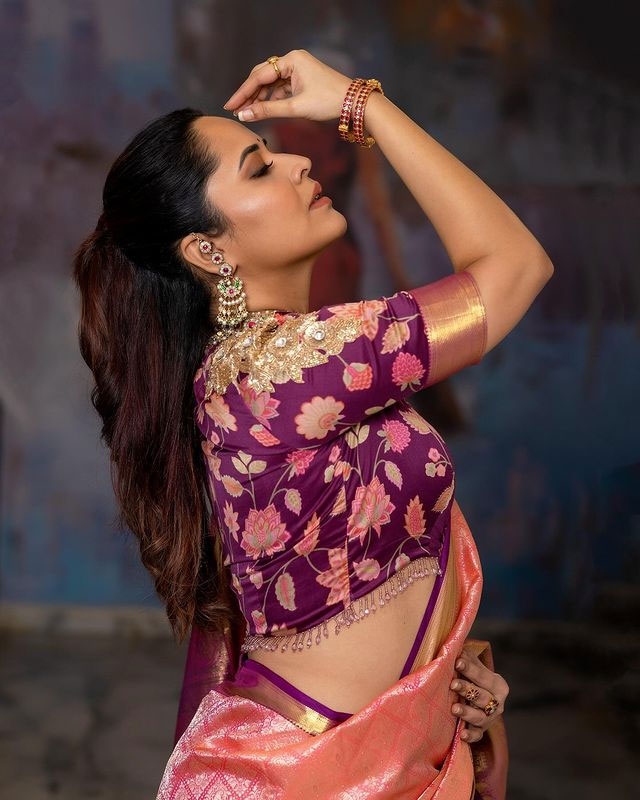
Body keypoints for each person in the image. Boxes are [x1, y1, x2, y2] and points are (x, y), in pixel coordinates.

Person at [73, 49, 553, 799]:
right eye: (260, 169)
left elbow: (362, 567)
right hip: (312, 776)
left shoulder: (281, 371)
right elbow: (515, 265)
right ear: (207, 249)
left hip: (388, 760)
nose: (298, 162)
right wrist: (364, 106)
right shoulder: (278, 371)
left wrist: (453, 684)